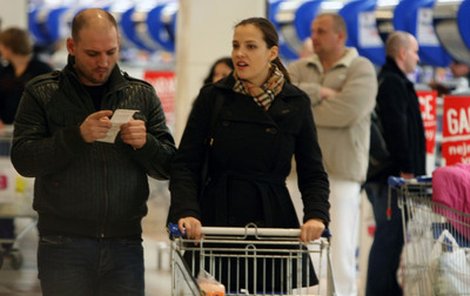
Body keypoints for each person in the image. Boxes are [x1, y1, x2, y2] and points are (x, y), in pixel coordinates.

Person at [10, 8, 176, 296]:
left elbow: (169, 165)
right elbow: (24, 159)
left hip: (125, 243)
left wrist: (145, 143)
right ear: (72, 47)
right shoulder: (43, 92)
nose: (103, 62)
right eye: (92, 54)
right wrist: (77, 137)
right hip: (63, 243)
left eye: (111, 52)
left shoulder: (141, 94)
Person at [168, 17, 330, 293]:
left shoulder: (295, 102)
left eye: (251, 46)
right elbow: (186, 164)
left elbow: (312, 170)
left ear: (272, 53)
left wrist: (316, 215)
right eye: (235, 46)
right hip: (216, 219)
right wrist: (187, 211)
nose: (239, 53)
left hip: (272, 220)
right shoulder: (214, 97)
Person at [288, 13, 377, 296]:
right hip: (297, 173)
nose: (314, 35)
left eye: (321, 31)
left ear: (340, 35)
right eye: (313, 30)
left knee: (340, 252)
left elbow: (348, 111)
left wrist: (305, 108)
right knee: (297, 251)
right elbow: (283, 105)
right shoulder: (298, 67)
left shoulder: (361, 69)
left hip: (341, 173)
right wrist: (321, 91)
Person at [364, 31, 425, 296]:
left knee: (391, 239)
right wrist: (407, 168)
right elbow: (397, 129)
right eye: (415, 52)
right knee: (389, 239)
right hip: (392, 179)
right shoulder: (392, 83)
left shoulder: (390, 81)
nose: (418, 57)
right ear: (402, 53)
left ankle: (386, 289)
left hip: (388, 177)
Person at [0, 27, 53, 253]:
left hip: (32, 137)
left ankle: (47, 239)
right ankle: (6, 240)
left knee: (36, 190)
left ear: (10, 46)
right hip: (4, 138)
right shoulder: (4, 71)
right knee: (4, 191)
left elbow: (50, 103)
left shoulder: (41, 70)